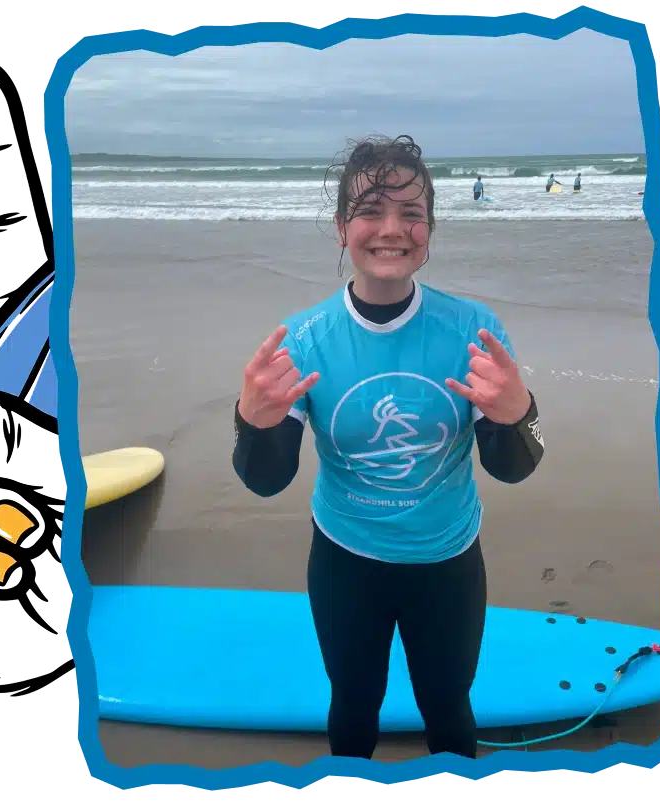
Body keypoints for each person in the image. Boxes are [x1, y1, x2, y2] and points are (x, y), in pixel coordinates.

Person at [231, 134, 545, 761]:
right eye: (371, 210)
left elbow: (512, 468)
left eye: (412, 213)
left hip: (447, 561)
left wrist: (518, 416)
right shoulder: (304, 339)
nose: (391, 229)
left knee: (449, 709)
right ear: (343, 227)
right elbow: (266, 481)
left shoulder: (473, 330)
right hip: (346, 559)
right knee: (352, 706)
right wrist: (252, 423)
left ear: (430, 228)